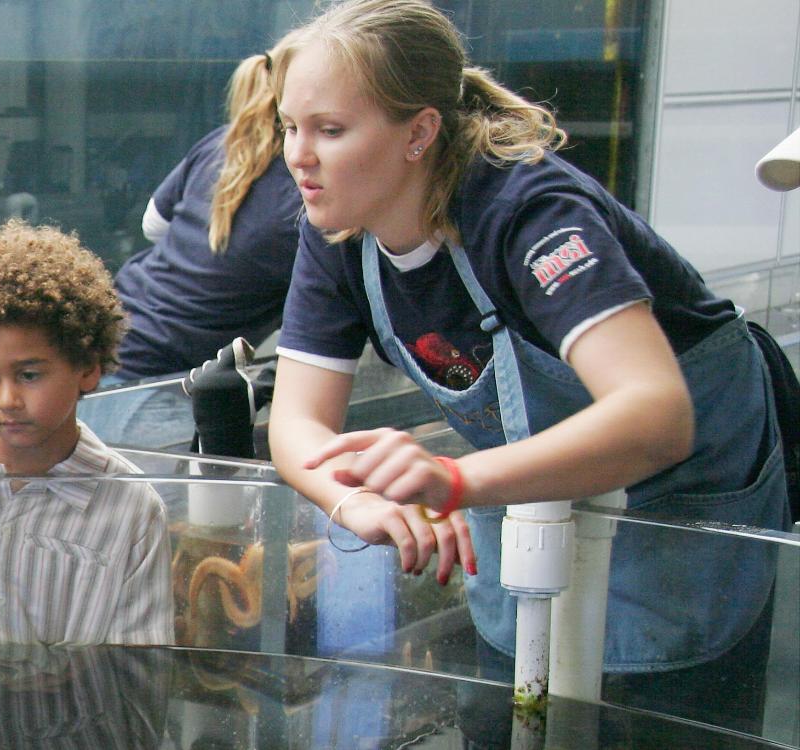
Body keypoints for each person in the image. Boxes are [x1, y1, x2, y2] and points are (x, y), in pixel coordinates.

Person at [266, 0, 789, 725]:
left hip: (681, 506)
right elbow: (296, 422)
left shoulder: (528, 209)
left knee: (655, 727)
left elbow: (656, 415)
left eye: (330, 130)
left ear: (419, 132)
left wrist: (453, 480)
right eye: (290, 126)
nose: (299, 154)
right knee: (507, 717)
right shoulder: (337, 234)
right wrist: (357, 500)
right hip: (520, 500)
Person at [0, 219, 172, 647]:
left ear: (88, 367)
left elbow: (142, 660)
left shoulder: (132, 506)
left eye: (29, 374)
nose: (6, 399)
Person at [81, 39, 305, 448]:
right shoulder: (307, 196)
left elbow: (154, 225)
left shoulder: (222, 141)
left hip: (105, 342)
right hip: (145, 385)